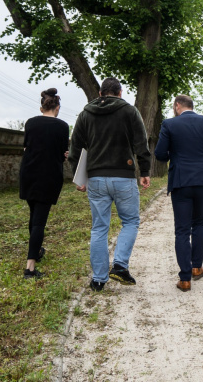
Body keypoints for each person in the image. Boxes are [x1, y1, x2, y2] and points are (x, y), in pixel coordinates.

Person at [68, 77, 151, 292]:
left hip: (95, 177)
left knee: (99, 227)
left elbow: (75, 147)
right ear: (120, 93)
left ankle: (98, 279)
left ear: (100, 93)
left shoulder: (85, 114)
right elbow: (141, 143)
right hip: (123, 175)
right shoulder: (130, 111)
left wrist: (78, 177)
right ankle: (120, 265)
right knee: (131, 221)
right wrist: (145, 171)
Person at [154, 94, 203, 292]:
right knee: (199, 222)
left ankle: (184, 278)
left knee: (182, 229)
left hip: (181, 180)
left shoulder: (169, 124)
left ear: (177, 106)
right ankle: (197, 267)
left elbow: (160, 154)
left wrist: (175, 157)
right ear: (191, 106)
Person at [18, 88, 70, 279]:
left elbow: (26, 146)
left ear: (42, 107)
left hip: (29, 173)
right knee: (39, 220)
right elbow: (63, 153)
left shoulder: (31, 123)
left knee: (34, 215)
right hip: (49, 175)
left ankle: (37, 251)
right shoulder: (63, 127)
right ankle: (30, 268)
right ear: (57, 108)